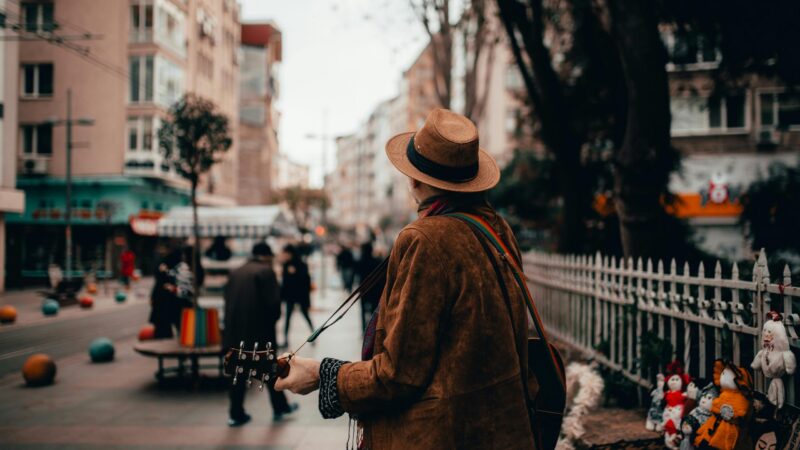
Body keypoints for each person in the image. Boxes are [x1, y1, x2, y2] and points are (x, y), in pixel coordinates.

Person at [275, 108, 537, 449]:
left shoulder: (424, 239)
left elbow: (400, 374)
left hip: (447, 436)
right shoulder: (497, 230)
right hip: (505, 431)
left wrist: (323, 374)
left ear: (413, 179)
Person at [224, 242, 297, 426]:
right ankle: (280, 406)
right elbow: (273, 306)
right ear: (266, 256)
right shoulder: (265, 272)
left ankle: (236, 413)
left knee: (238, 372)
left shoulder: (236, 272)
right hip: (259, 333)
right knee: (270, 370)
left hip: (234, 332)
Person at [280, 244, 314, 348]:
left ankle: (314, 334)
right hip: (290, 296)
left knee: (305, 315)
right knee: (288, 318)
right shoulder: (286, 265)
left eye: (285, 253)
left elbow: (305, 281)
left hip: (300, 295)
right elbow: (284, 282)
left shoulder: (301, 264)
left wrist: (294, 274)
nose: (284, 255)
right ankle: (285, 339)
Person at [149, 248, 183, 338]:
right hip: (169, 300)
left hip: (165, 300)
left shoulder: (164, 262)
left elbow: (159, 280)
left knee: (164, 331)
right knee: (180, 329)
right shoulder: (172, 261)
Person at [355, 241, 381, 332]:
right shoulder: (377, 261)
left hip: (364, 290)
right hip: (375, 290)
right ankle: (372, 329)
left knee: (363, 311)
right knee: (374, 311)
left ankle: (363, 330)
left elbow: (356, 274)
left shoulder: (360, 262)